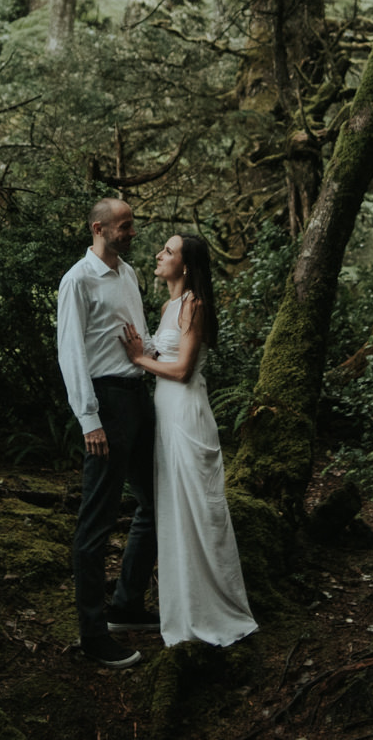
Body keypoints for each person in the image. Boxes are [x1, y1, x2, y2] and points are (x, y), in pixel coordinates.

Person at [119, 233, 258, 649]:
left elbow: (182, 370)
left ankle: (211, 607)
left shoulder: (195, 304)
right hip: (165, 413)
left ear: (185, 265)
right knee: (173, 509)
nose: (159, 255)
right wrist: (147, 352)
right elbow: (166, 357)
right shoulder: (168, 307)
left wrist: (139, 359)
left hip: (186, 414)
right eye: (163, 249)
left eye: (168, 251)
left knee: (198, 509)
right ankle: (181, 605)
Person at [55, 197, 159, 668]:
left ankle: (126, 604)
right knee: (95, 521)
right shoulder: (77, 281)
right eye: (124, 225)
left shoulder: (130, 274)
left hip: (139, 397)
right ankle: (94, 634)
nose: (132, 231)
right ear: (99, 228)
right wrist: (89, 418)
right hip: (106, 404)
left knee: (155, 504)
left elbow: (139, 337)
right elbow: (70, 353)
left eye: (131, 225)